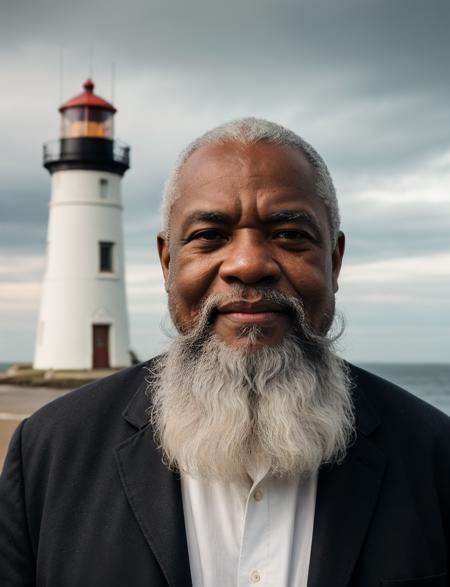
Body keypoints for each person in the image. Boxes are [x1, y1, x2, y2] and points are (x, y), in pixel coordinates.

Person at [1, 118, 449, 587]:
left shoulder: (435, 457)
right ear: (167, 262)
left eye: (290, 235)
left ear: (334, 261)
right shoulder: (48, 456)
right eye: (210, 235)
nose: (248, 265)